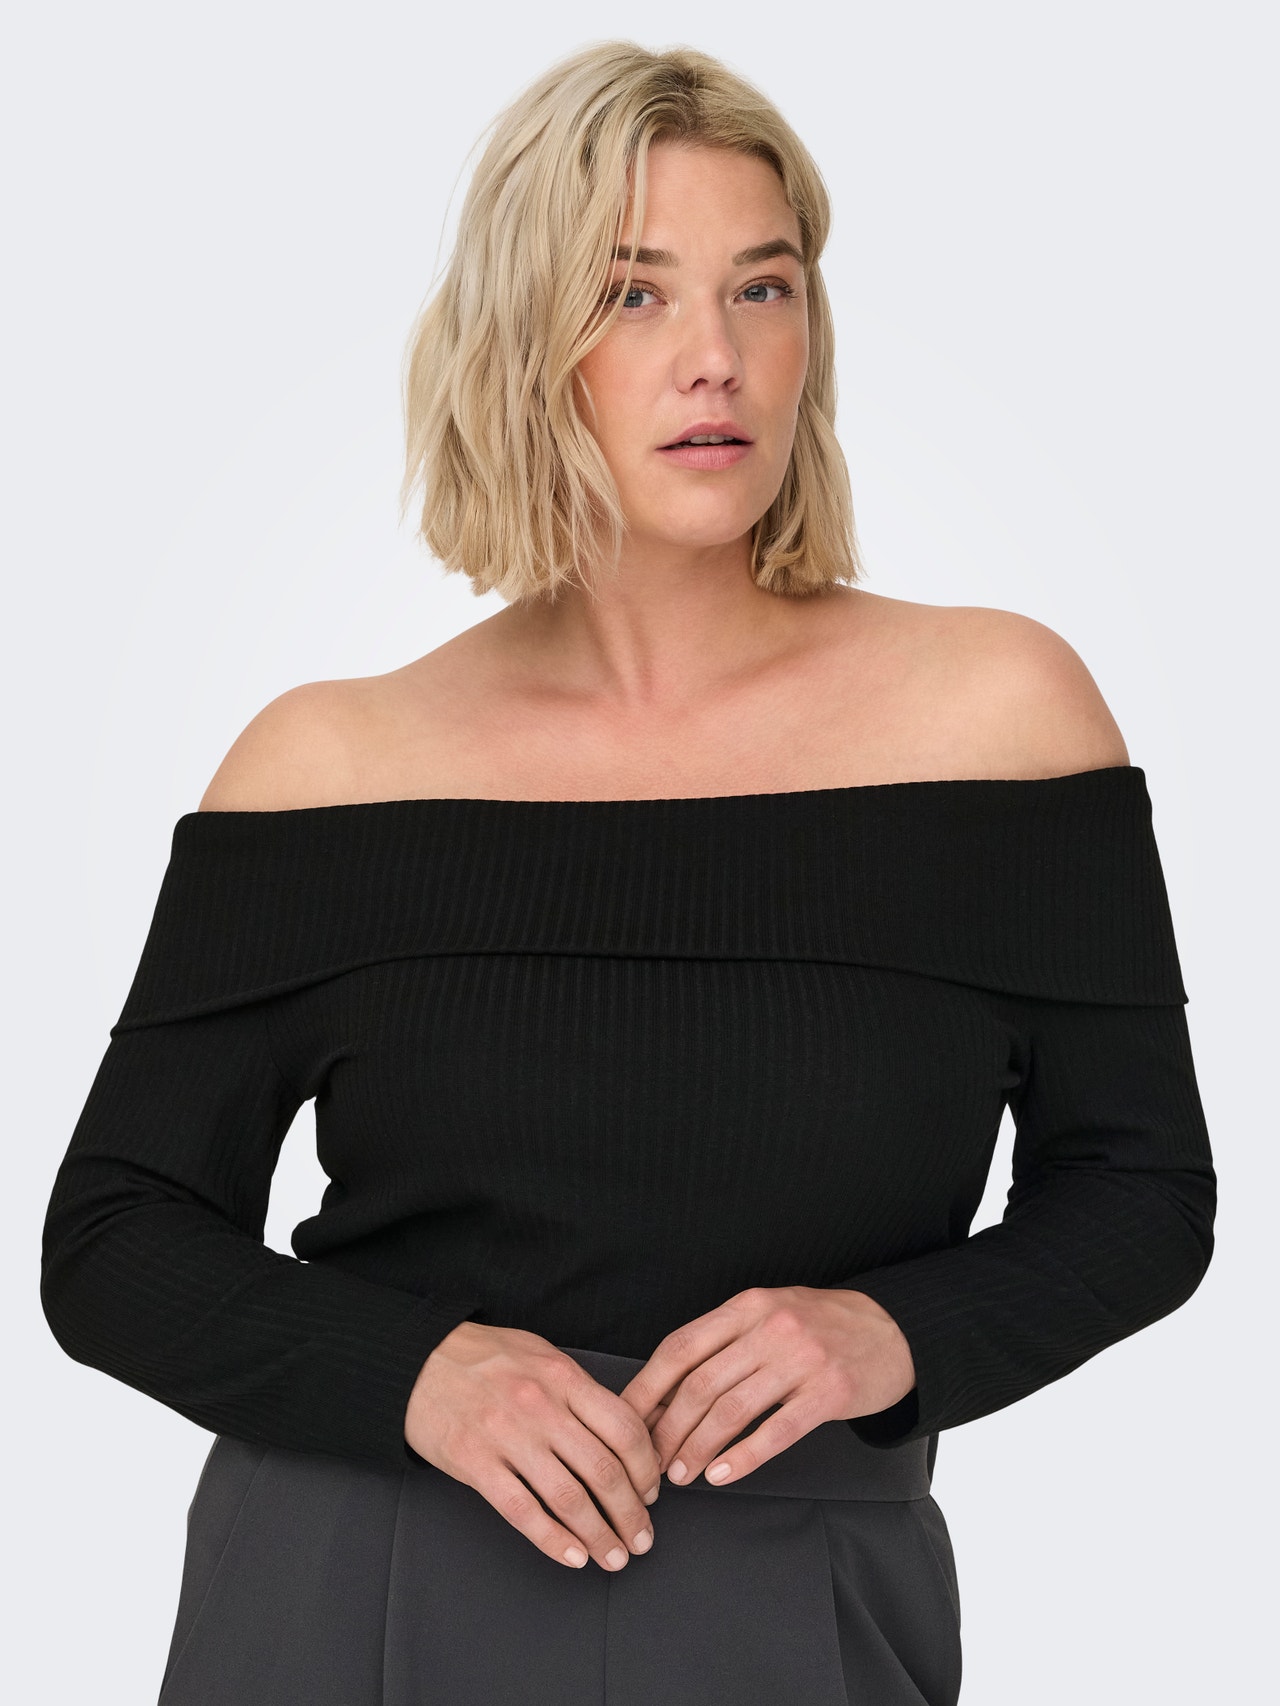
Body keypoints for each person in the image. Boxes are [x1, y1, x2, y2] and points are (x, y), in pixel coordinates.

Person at [39, 39, 1217, 1706]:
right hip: (353, 1571)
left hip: (795, 1573)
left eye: (763, 288)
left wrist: (890, 1335)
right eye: (635, 293)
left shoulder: (1002, 719)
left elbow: (1145, 1188)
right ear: (529, 341)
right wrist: (416, 1374)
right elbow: (113, 1234)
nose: (715, 356)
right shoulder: (330, 762)